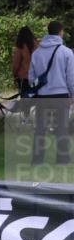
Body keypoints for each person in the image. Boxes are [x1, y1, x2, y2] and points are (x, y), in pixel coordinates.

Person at [28, 20, 74, 165]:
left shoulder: (37, 53)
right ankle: (62, 160)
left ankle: (37, 160)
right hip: (61, 95)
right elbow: (71, 77)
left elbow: (31, 77)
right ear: (61, 32)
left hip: (42, 96)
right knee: (62, 128)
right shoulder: (66, 52)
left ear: (48, 32)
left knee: (40, 129)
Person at [11, 25, 39, 94]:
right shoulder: (37, 45)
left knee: (25, 101)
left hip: (24, 78)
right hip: (37, 77)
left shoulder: (20, 47)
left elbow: (16, 65)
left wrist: (14, 75)